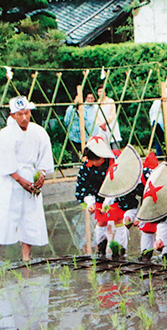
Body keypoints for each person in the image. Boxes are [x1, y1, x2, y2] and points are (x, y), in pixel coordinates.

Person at [0, 96, 54, 262]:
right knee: (5, 215)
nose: (24, 117)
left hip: (30, 176)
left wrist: (42, 174)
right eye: (20, 114)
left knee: (30, 215)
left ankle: (26, 256)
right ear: (13, 115)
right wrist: (18, 178)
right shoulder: (5, 134)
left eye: (27, 113)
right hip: (10, 179)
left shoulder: (38, 132)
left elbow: (44, 156)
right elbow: (5, 159)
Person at [75, 136, 132, 258]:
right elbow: (83, 188)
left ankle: (120, 249)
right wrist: (90, 203)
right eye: (92, 160)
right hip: (98, 198)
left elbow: (119, 185)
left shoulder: (115, 164)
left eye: (98, 160)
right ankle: (101, 247)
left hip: (116, 197)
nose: (95, 163)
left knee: (118, 220)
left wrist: (109, 201)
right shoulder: (86, 167)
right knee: (101, 221)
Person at [64, 93, 98, 162]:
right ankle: (74, 165)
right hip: (74, 134)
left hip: (84, 134)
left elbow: (86, 120)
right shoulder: (71, 109)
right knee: (75, 152)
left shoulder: (84, 108)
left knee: (86, 151)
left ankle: (86, 164)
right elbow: (66, 120)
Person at [149, 87, 167, 156]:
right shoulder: (166, 103)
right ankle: (166, 154)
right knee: (166, 139)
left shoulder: (155, 102)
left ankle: (159, 154)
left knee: (158, 140)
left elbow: (151, 113)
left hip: (154, 122)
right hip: (162, 123)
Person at [96, 85, 122, 149]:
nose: (101, 93)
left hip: (111, 125)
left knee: (114, 143)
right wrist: (100, 124)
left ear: (105, 92)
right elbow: (96, 117)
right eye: (99, 91)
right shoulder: (96, 104)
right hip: (102, 128)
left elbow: (112, 114)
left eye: (102, 91)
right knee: (104, 145)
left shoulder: (110, 101)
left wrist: (105, 123)